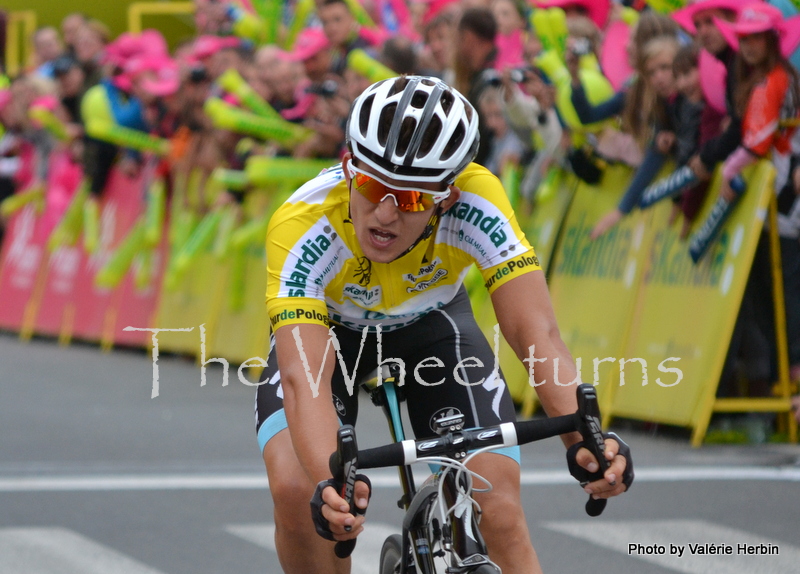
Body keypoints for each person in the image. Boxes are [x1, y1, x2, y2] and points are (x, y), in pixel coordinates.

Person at [256, 75, 633, 574]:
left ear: (447, 196)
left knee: (496, 507)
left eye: (412, 199)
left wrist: (586, 439)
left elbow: (536, 334)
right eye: (371, 186)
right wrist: (333, 481)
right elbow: (306, 380)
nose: (386, 213)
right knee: (298, 488)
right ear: (348, 166)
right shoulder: (302, 223)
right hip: (333, 334)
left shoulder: (479, 199)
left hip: (432, 326)